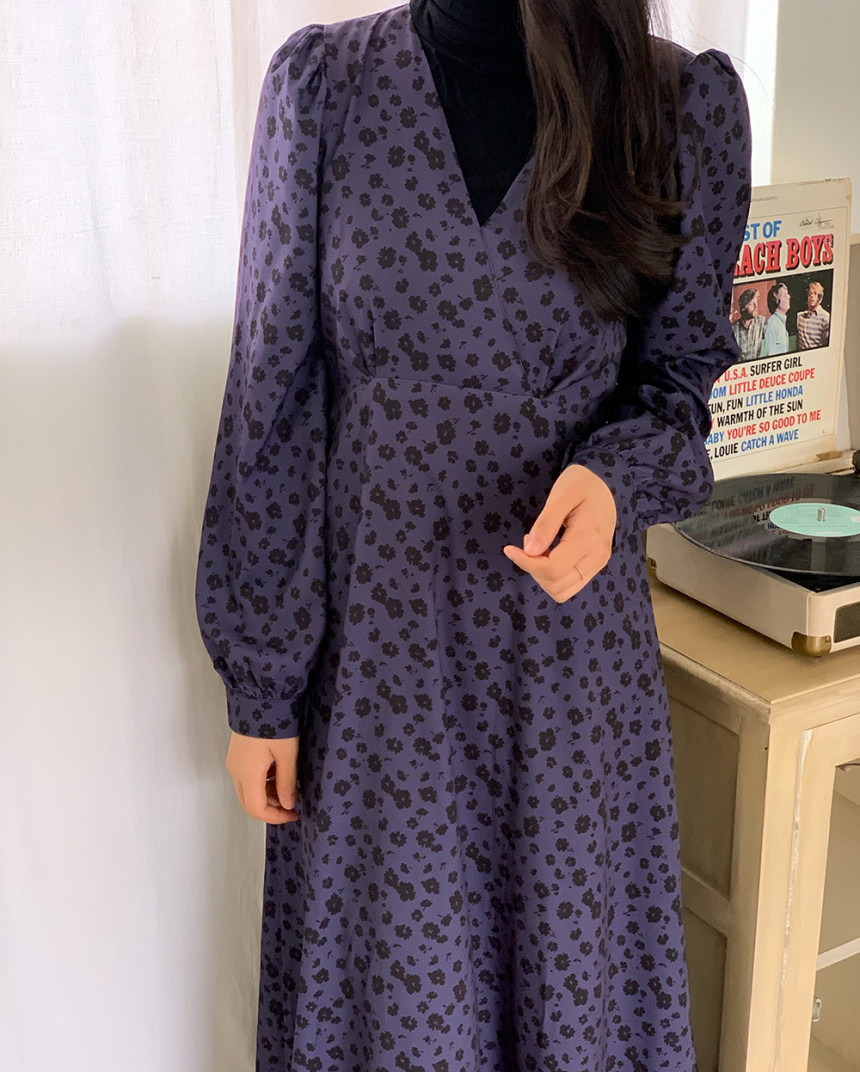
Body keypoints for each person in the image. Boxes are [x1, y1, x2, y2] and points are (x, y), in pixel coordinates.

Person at [194, 1, 752, 1068]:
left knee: (568, 997)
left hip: (567, 678)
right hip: (377, 674)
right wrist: (261, 686)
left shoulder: (677, 105)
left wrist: (613, 478)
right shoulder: (324, 88)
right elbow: (273, 397)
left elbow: (680, 385)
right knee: (391, 1007)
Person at [732, 286, 767, 361]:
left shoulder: (762, 321)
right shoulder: (733, 329)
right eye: (751, 304)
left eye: (756, 303)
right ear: (743, 308)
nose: (756, 307)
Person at [797, 279, 831, 349]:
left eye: (815, 293)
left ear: (820, 297)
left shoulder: (825, 317)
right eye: (810, 294)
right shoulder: (800, 317)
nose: (812, 296)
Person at [762, 280, 791, 356]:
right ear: (776, 301)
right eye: (785, 295)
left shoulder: (780, 322)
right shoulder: (772, 324)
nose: (789, 297)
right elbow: (770, 356)